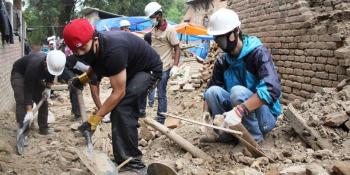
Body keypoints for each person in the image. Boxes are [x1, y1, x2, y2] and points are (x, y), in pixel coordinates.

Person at [63, 18, 162, 174]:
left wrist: (95, 119)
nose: (81, 54)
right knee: (120, 110)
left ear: (94, 38)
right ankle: (122, 157)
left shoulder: (113, 50)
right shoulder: (95, 47)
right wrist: (83, 79)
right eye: (76, 51)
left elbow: (118, 92)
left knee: (122, 108)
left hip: (148, 70)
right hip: (130, 68)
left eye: (83, 48)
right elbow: (96, 65)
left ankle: (133, 162)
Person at [202, 8, 282, 143]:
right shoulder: (223, 61)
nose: (220, 43)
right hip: (236, 116)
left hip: (264, 118)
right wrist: (205, 113)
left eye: (222, 38)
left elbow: (271, 88)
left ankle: (254, 140)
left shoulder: (257, 53)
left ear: (236, 31)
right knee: (211, 92)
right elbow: (211, 89)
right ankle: (226, 135)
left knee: (237, 91)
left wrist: (240, 110)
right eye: (217, 39)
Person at [11, 50, 66, 135]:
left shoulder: (54, 64)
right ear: (45, 63)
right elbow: (28, 90)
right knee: (22, 101)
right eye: (49, 69)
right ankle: (23, 131)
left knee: (43, 101)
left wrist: (47, 88)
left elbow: (51, 76)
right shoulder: (33, 66)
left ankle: (43, 129)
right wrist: (29, 111)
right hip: (20, 74)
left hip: (36, 76)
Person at [144, 1, 180, 124]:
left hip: (165, 67)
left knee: (161, 93)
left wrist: (175, 65)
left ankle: (161, 119)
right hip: (153, 67)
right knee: (145, 88)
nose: (151, 20)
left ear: (159, 15)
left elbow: (177, 48)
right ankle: (141, 111)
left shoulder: (170, 30)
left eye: (152, 17)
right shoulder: (153, 29)